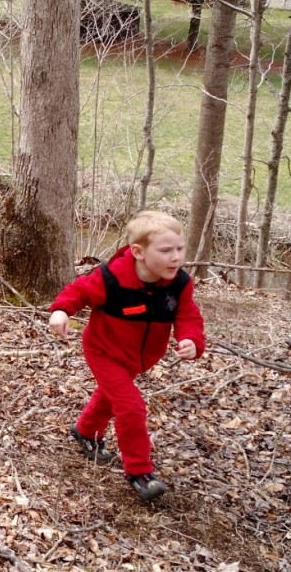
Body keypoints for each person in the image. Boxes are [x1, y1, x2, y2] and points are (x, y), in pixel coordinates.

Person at [48, 210, 205, 502]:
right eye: (166, 250)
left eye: (180, 249)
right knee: (130, 406)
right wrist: (61, 310)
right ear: (139, 252)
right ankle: (139, 472)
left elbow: (188, 316)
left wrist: (191, 340)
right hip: (104, 351)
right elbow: (79, 291)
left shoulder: (179, 284)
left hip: (137, 357)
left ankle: (85, 431)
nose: (176, 257)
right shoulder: (112, 278)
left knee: (111, 397)